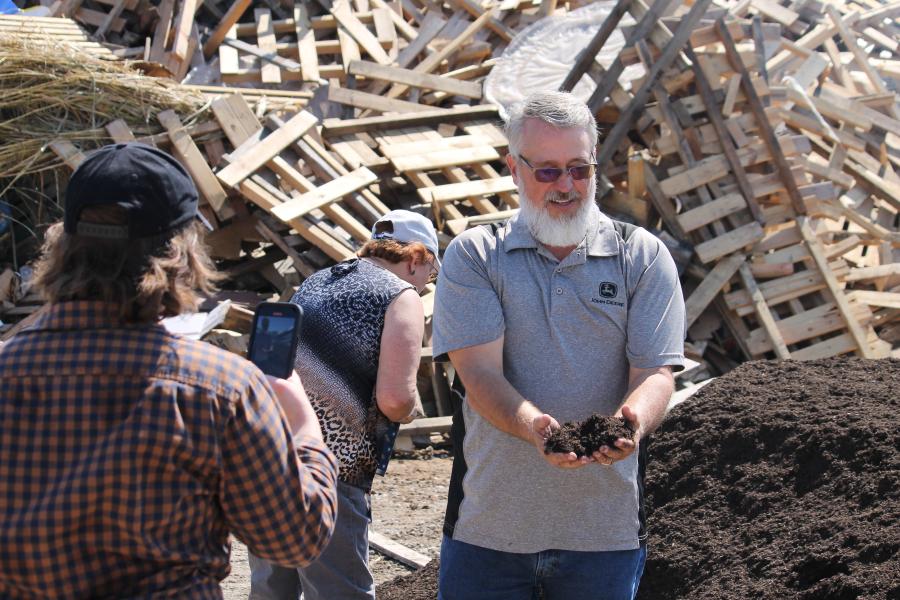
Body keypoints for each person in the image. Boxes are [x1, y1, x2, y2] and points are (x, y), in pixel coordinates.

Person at [0, 142, 339, 599]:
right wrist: (302, 430)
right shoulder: (223, 388)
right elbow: (294, 539)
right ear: (180, 253)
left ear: (62, 246)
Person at [432, 90, 686, 600]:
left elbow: (656, 372)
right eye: (547, 171)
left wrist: (631, 423)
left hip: (603, 534)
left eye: (579, 169)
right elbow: (478, 374)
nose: (566, 185)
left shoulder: (641, 257)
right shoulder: (477, 256)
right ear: (513, 168)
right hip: (489, 530)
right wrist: (536, 428)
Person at [249, 210, 440, 600]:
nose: (424, 287)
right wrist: (413, 409)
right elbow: (396, 400)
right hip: (330, 472)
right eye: (429, 275)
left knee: (272, 592)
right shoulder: (399, 296)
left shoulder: (316, 282)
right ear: (415, 258)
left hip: (269, 461)